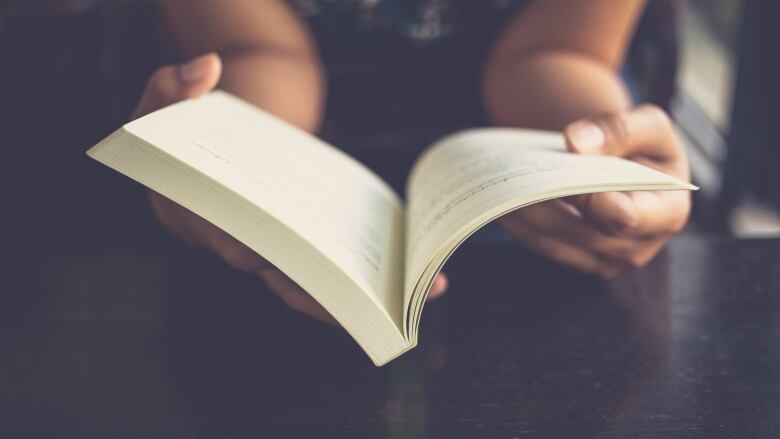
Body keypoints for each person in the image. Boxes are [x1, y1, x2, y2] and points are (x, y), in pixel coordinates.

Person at [131, 0, 691, 322]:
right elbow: (260, 50)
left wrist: (607, 163)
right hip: (294, 233)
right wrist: (229, 165)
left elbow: (560, 52)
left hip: (528, 233)